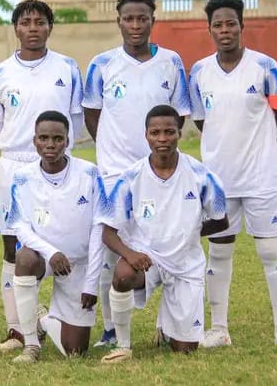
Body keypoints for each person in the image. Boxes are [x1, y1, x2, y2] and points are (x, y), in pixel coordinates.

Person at [82, 0, 191, 347]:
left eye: (142, 18)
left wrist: (158, 155)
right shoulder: (102, 64)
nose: (135, 25)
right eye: (128, 18)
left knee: (167, 242)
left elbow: (179, 116)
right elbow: (93, 115)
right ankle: (111, 329)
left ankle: (167, 322)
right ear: (118, 22)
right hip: (114, 173)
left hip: (158, 173)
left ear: (152, 21)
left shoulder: (172, 62)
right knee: (109, 250)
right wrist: (112, 152)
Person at [189, 0, 277, 347]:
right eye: (217, 25)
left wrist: (261, 146)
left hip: (261, 178)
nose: (225, 30)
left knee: (270, 251)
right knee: (219, 252)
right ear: (209, 29)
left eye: (230, 24)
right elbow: (203, 121)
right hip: (219, 181)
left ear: (241, 26)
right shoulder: (199, 72)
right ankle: (219, 329)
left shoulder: (265, 67)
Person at [0, 0, 84, 351]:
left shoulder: (67, 67)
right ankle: (17, 329)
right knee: (13, 247)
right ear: (16, 28)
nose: (32, 28)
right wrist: (19, 151)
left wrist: (53, 152)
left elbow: (76, 119)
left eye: (39, 22)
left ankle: (62, 316)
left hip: (59, 166)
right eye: (25, 22)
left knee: (63, 239)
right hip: (14, 167)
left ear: (49, 27)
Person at [98, 105, 229, 363]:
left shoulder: (202, 176)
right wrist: (130, 254)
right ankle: (123, 345)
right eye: (155, 133)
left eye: (169, 132)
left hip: (185, 262)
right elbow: (108, 233)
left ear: (179, 133)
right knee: (123, 275)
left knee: (185, 350)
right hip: (147, 258)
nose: (162, 139)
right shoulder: (130, 178)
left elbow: (221, 220)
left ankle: (166, 325)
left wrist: (188, 234)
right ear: (146, 135)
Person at [7, 111, 105, 363]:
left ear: (67, 141)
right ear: (34, 141)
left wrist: (91, 283)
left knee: (75, 352)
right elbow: (20, 226)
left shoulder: (90, 173)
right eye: (44, 138)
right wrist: (51, 252)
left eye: (57, 139)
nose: (50, 144)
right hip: (44, 258)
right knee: (24, 258)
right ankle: (31, 344)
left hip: (78, 264)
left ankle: (42, 319)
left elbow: (99, 229)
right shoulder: (22, 177)